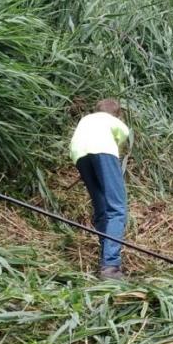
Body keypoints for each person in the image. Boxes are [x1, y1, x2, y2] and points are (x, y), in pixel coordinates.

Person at [69, 99, 131, 280]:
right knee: (117, 208)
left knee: (102, 208)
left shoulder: (85, 120)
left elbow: (83, 144)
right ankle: (111, 266)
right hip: (103, 152)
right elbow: (122, 136)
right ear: (117, 114)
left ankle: (105, 260)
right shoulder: (114, 121)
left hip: (79, 155)